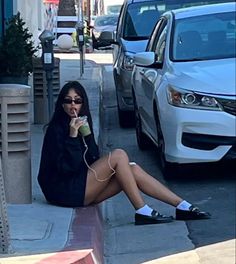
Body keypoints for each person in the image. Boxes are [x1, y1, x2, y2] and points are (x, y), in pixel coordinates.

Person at [38, 81, 211, 225]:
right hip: (64, 191)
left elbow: (93, 158)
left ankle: (182, 206)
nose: (73, 105)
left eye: (77, 100)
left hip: (81, 186)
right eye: (68, 101)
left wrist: (86, 135)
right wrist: (72, 135)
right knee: (119, 155)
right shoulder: (55, 130)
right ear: (62, 104)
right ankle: (141, 210)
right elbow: (68, 168)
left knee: (131, 169)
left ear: (83, 103)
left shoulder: (81, 123)